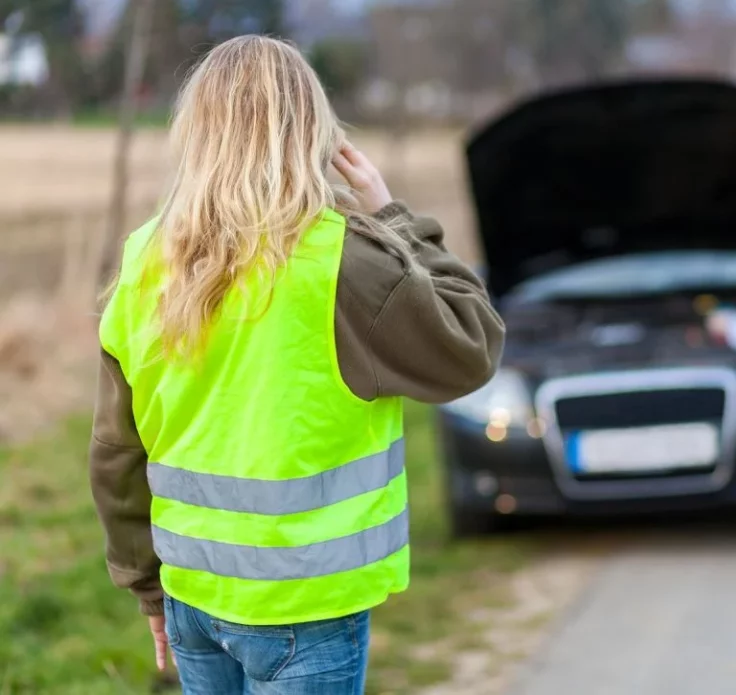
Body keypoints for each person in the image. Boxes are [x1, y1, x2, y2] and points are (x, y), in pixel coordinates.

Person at [88, 35, 504, 695]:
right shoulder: (344, 262)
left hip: (193, 597)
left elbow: (115, 451)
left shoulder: (144, 258)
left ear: (196, 134)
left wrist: (146, 587)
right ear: (311, 130)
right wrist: (394, 216)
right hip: (304, 610)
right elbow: (472, 344)